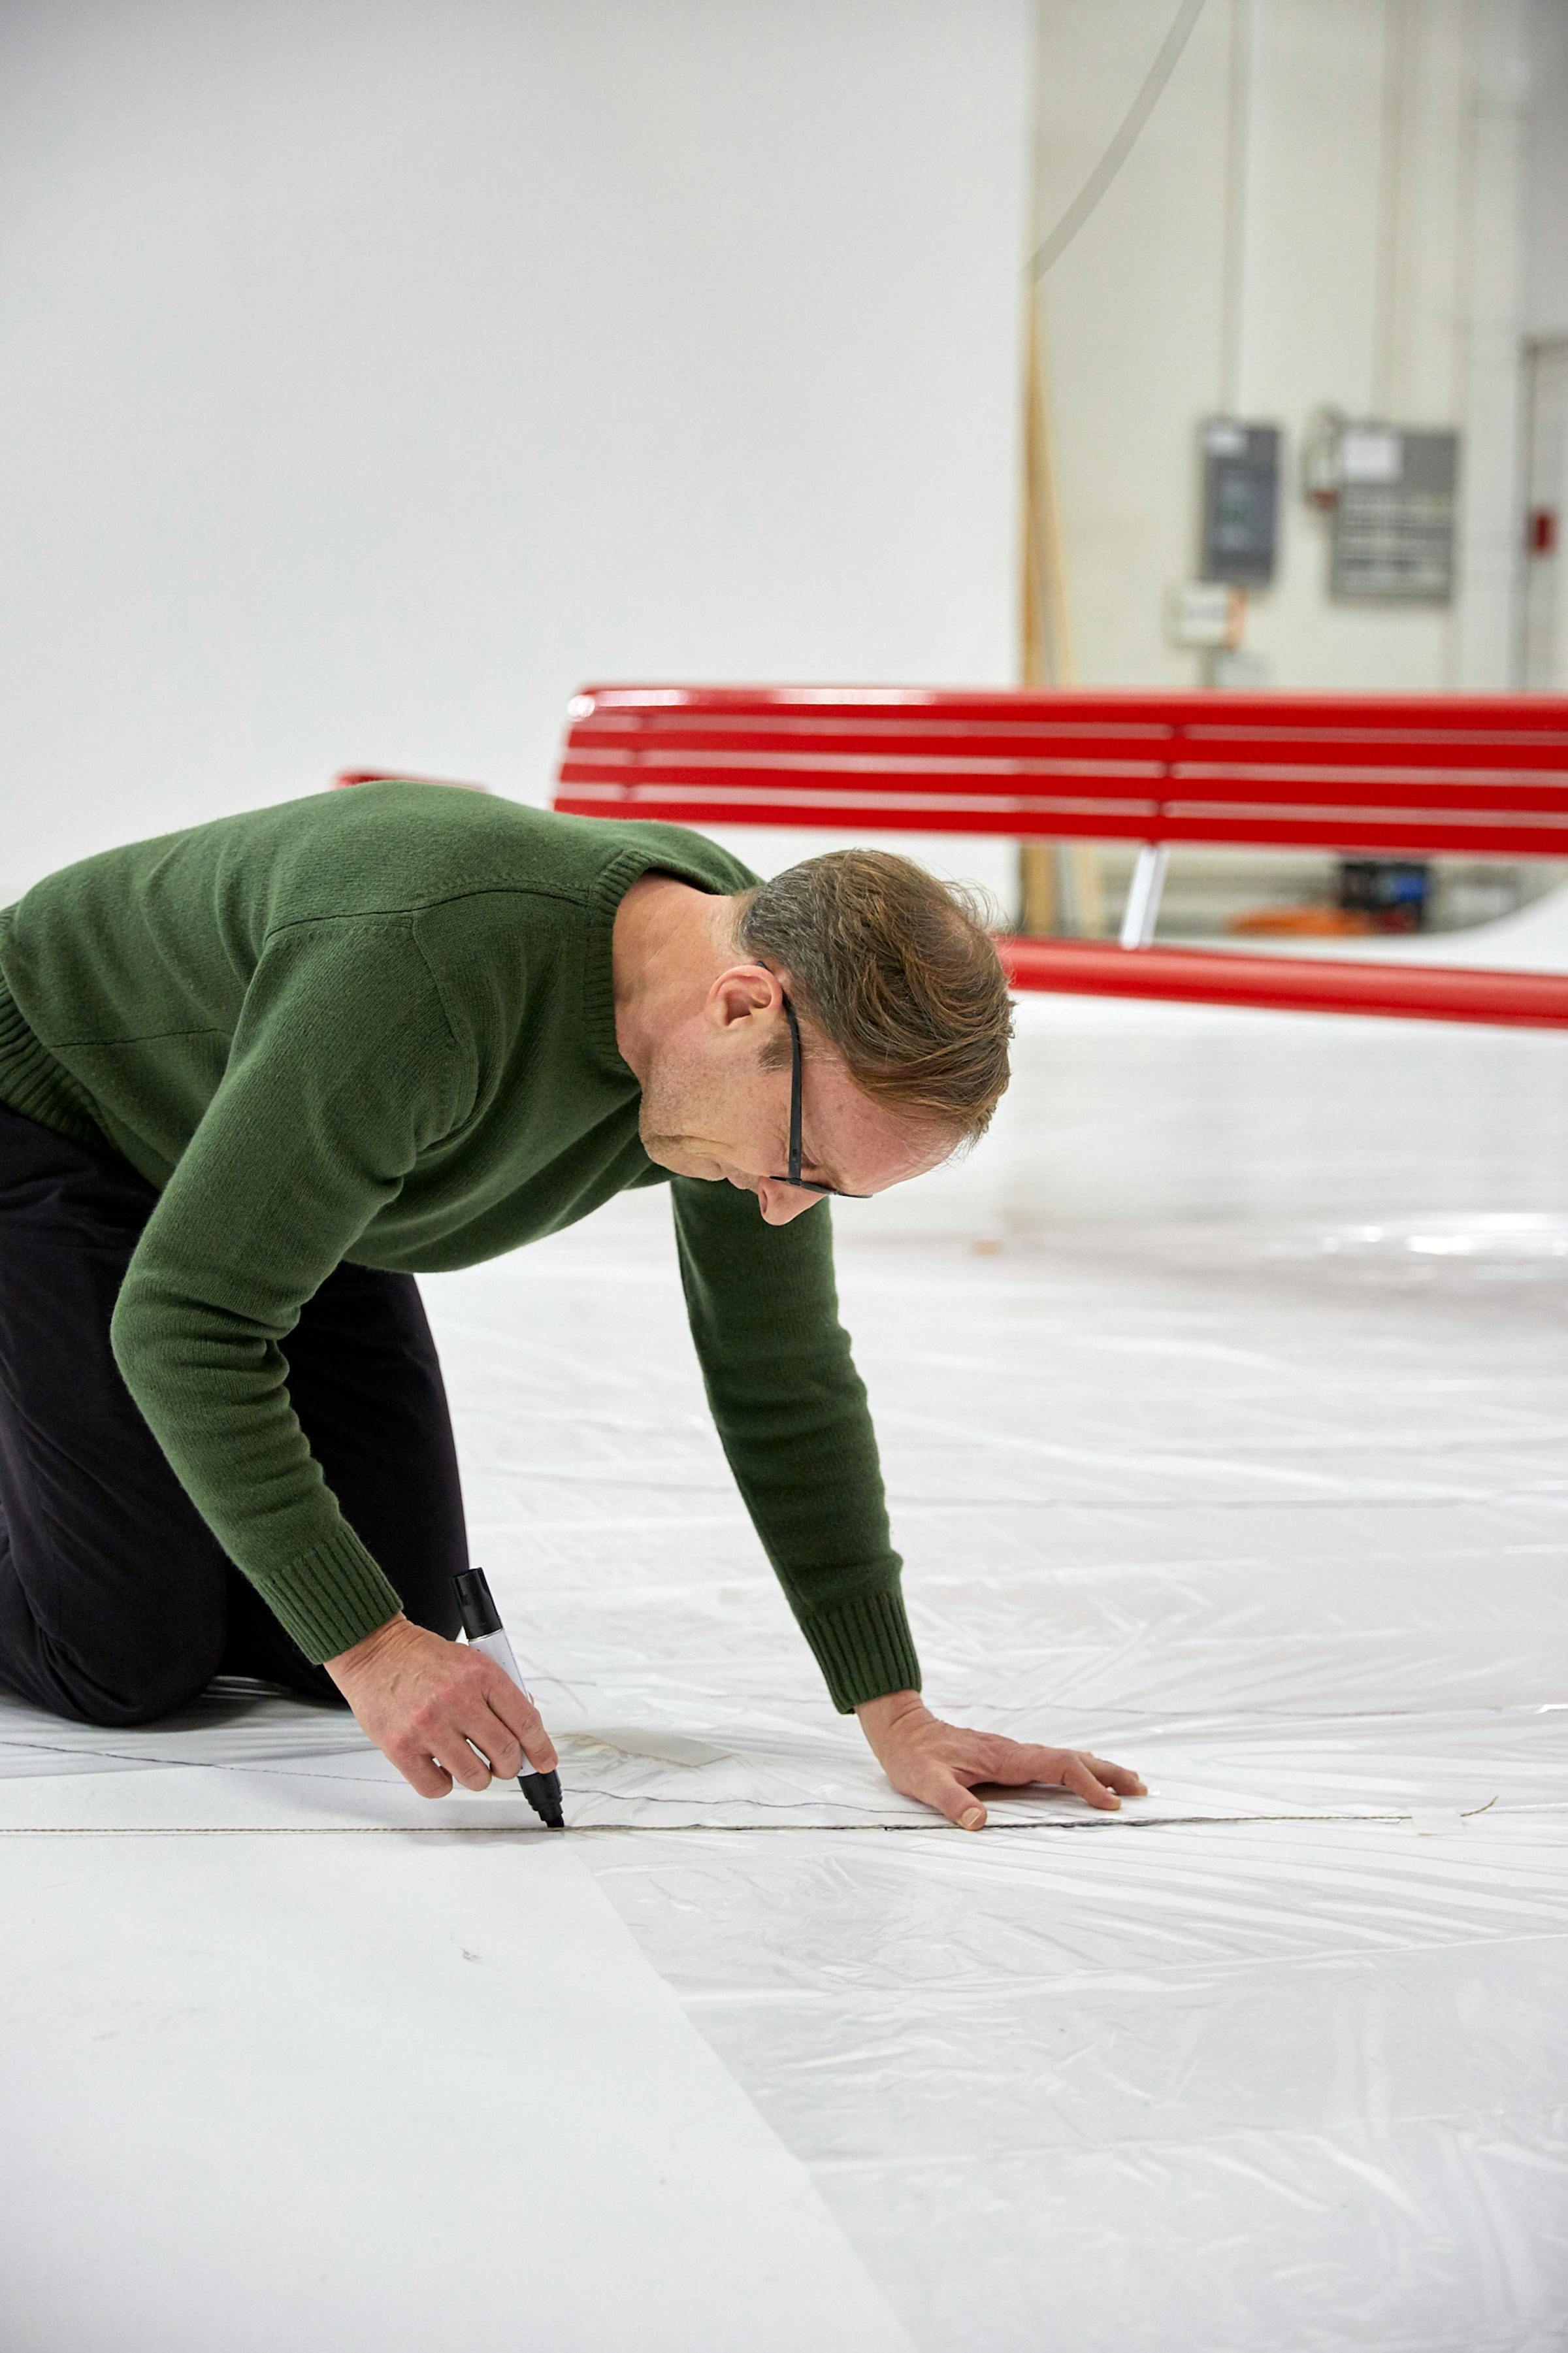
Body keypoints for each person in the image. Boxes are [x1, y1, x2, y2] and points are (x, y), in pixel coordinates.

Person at [0, 780, 1143, 1829]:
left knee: (349, 1624)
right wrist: (373, 1652)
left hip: (287, 1163)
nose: (785, 1208)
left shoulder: (756, 1005)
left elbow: (780, 1369)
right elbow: (186, 1323)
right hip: (59, 1100)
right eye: (806, 1163)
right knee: (128, 1656)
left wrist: (896, 1707)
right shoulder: (426, 970)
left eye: (831, 1191)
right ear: (744, 1006)